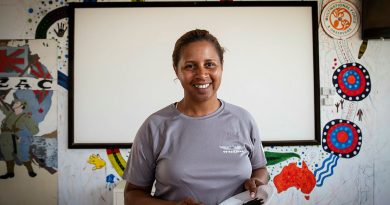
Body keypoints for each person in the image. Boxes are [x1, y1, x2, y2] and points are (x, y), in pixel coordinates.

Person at [123, 29, 268, 205]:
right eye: (190, 66)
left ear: (221, 66)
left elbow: (259, 169)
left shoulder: (244, 120)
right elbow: (132, 195)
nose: (201, 74)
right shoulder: (155, 126)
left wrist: (258, 182)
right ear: (176, 70)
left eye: (210, 64)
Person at [0, 97, 39, 179]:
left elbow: (35, 130)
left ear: (22, 106)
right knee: (7, 155)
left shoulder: (25, 117)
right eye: (14, 103)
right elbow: (2, 107)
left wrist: (23, 136)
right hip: (4, 137)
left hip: (14, 138)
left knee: (22, 156)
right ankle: (10, 173)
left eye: (17, 103)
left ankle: (30, 171)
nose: (14, 104)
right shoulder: (10, 113)